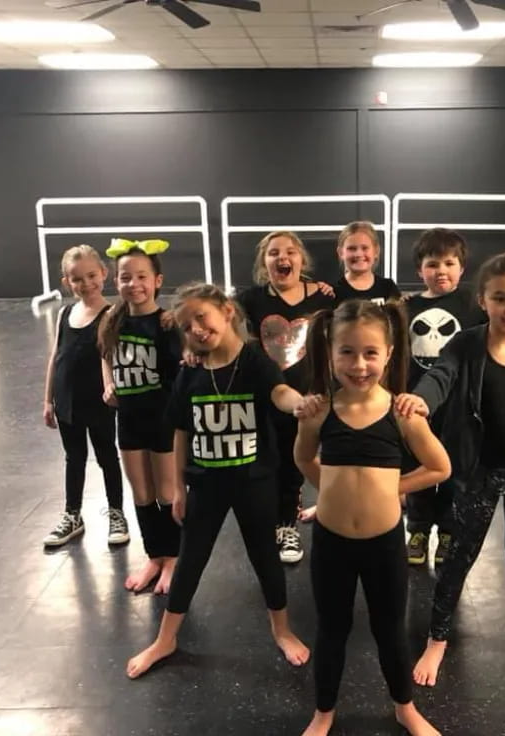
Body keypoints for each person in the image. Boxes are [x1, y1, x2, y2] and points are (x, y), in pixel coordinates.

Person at [396, 249, 505, 685]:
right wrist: (422, 400)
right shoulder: (467, 343)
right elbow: (442, 374)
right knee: (459, 557)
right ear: (483, 300)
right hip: (476, 473)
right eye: (501, 298)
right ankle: (437, 638)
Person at [126, 282, 311, 679]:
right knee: (190, 559)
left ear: (227, 312)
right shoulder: (190, 371)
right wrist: (177, 487)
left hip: (254, 480)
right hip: (205, 484)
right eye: (187, 324)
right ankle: (165, 639)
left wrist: (297, 403)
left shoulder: (254, 361)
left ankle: (282, 630)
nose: (195, 328)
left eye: (202, 317)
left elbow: (277, 391)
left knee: (265, 558)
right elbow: (180, 431)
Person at [295, 299, 449, 736]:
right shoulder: (322, 410)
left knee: (390, 633)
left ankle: (405, 708)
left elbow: (440, 467)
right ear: (329, 353)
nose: (358, 364)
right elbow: (303, 457)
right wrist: (329, 487)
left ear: (389, 354)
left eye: (370, 353)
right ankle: (324, 711)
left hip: (383, 545)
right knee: (332, 631)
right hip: (332, 543)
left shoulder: (402, 413)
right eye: (346, 352)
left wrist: (391, 487)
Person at [237, 231, 334, 564]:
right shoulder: (251, 298)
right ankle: (271, 522)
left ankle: (287, 524)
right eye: (274, 252)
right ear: (264, 262)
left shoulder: (323, 296)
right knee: (267, 460)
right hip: (265, 394)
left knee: (298, 461)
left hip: (309, 396)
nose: (283, 258)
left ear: (300, 260)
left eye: (290, 252)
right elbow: (219, 321)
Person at [99, 238, 181, 594]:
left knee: (166, 490)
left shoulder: (166, 324)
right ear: (116, 282)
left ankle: (175, 558)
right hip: (128, 419)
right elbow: (104, 355)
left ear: (157, 281)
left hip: (161, 419)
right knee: (142, 491)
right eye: (125, 277)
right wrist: (108, 385)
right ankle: (155, 554)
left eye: (142, 277)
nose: (134, 284)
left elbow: (181, 372)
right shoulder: (112, 321)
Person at [402, 228, 485, 567]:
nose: (441, 271)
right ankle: (418, 530)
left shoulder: (470, 302)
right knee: (419, 468)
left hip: (458, 405)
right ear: (420, 270)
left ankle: (448, 532)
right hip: (418, 406)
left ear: (462, 268)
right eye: (432, 264)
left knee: (453, 471)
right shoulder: (408, 307)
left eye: (449, 263)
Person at [41, 244, 128, 547]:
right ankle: (72, 514)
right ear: (67, 283)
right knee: (73, 458)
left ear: (104, 273)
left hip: (98, 403)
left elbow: (109, 356)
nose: (86, 283)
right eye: (77, 279)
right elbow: (56, 357)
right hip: (68, 403)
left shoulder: (112, 313)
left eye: (92, 275)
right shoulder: (65, 312)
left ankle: (117, 512)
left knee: (107, 457)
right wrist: (48, 400)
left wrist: (110, 388)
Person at [331, 220, 401, 305]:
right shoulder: (333, 291)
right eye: (352, 248)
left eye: (364, 248)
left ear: (376, 251)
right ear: (340, 253)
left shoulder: (388, 288)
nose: (358, 254)